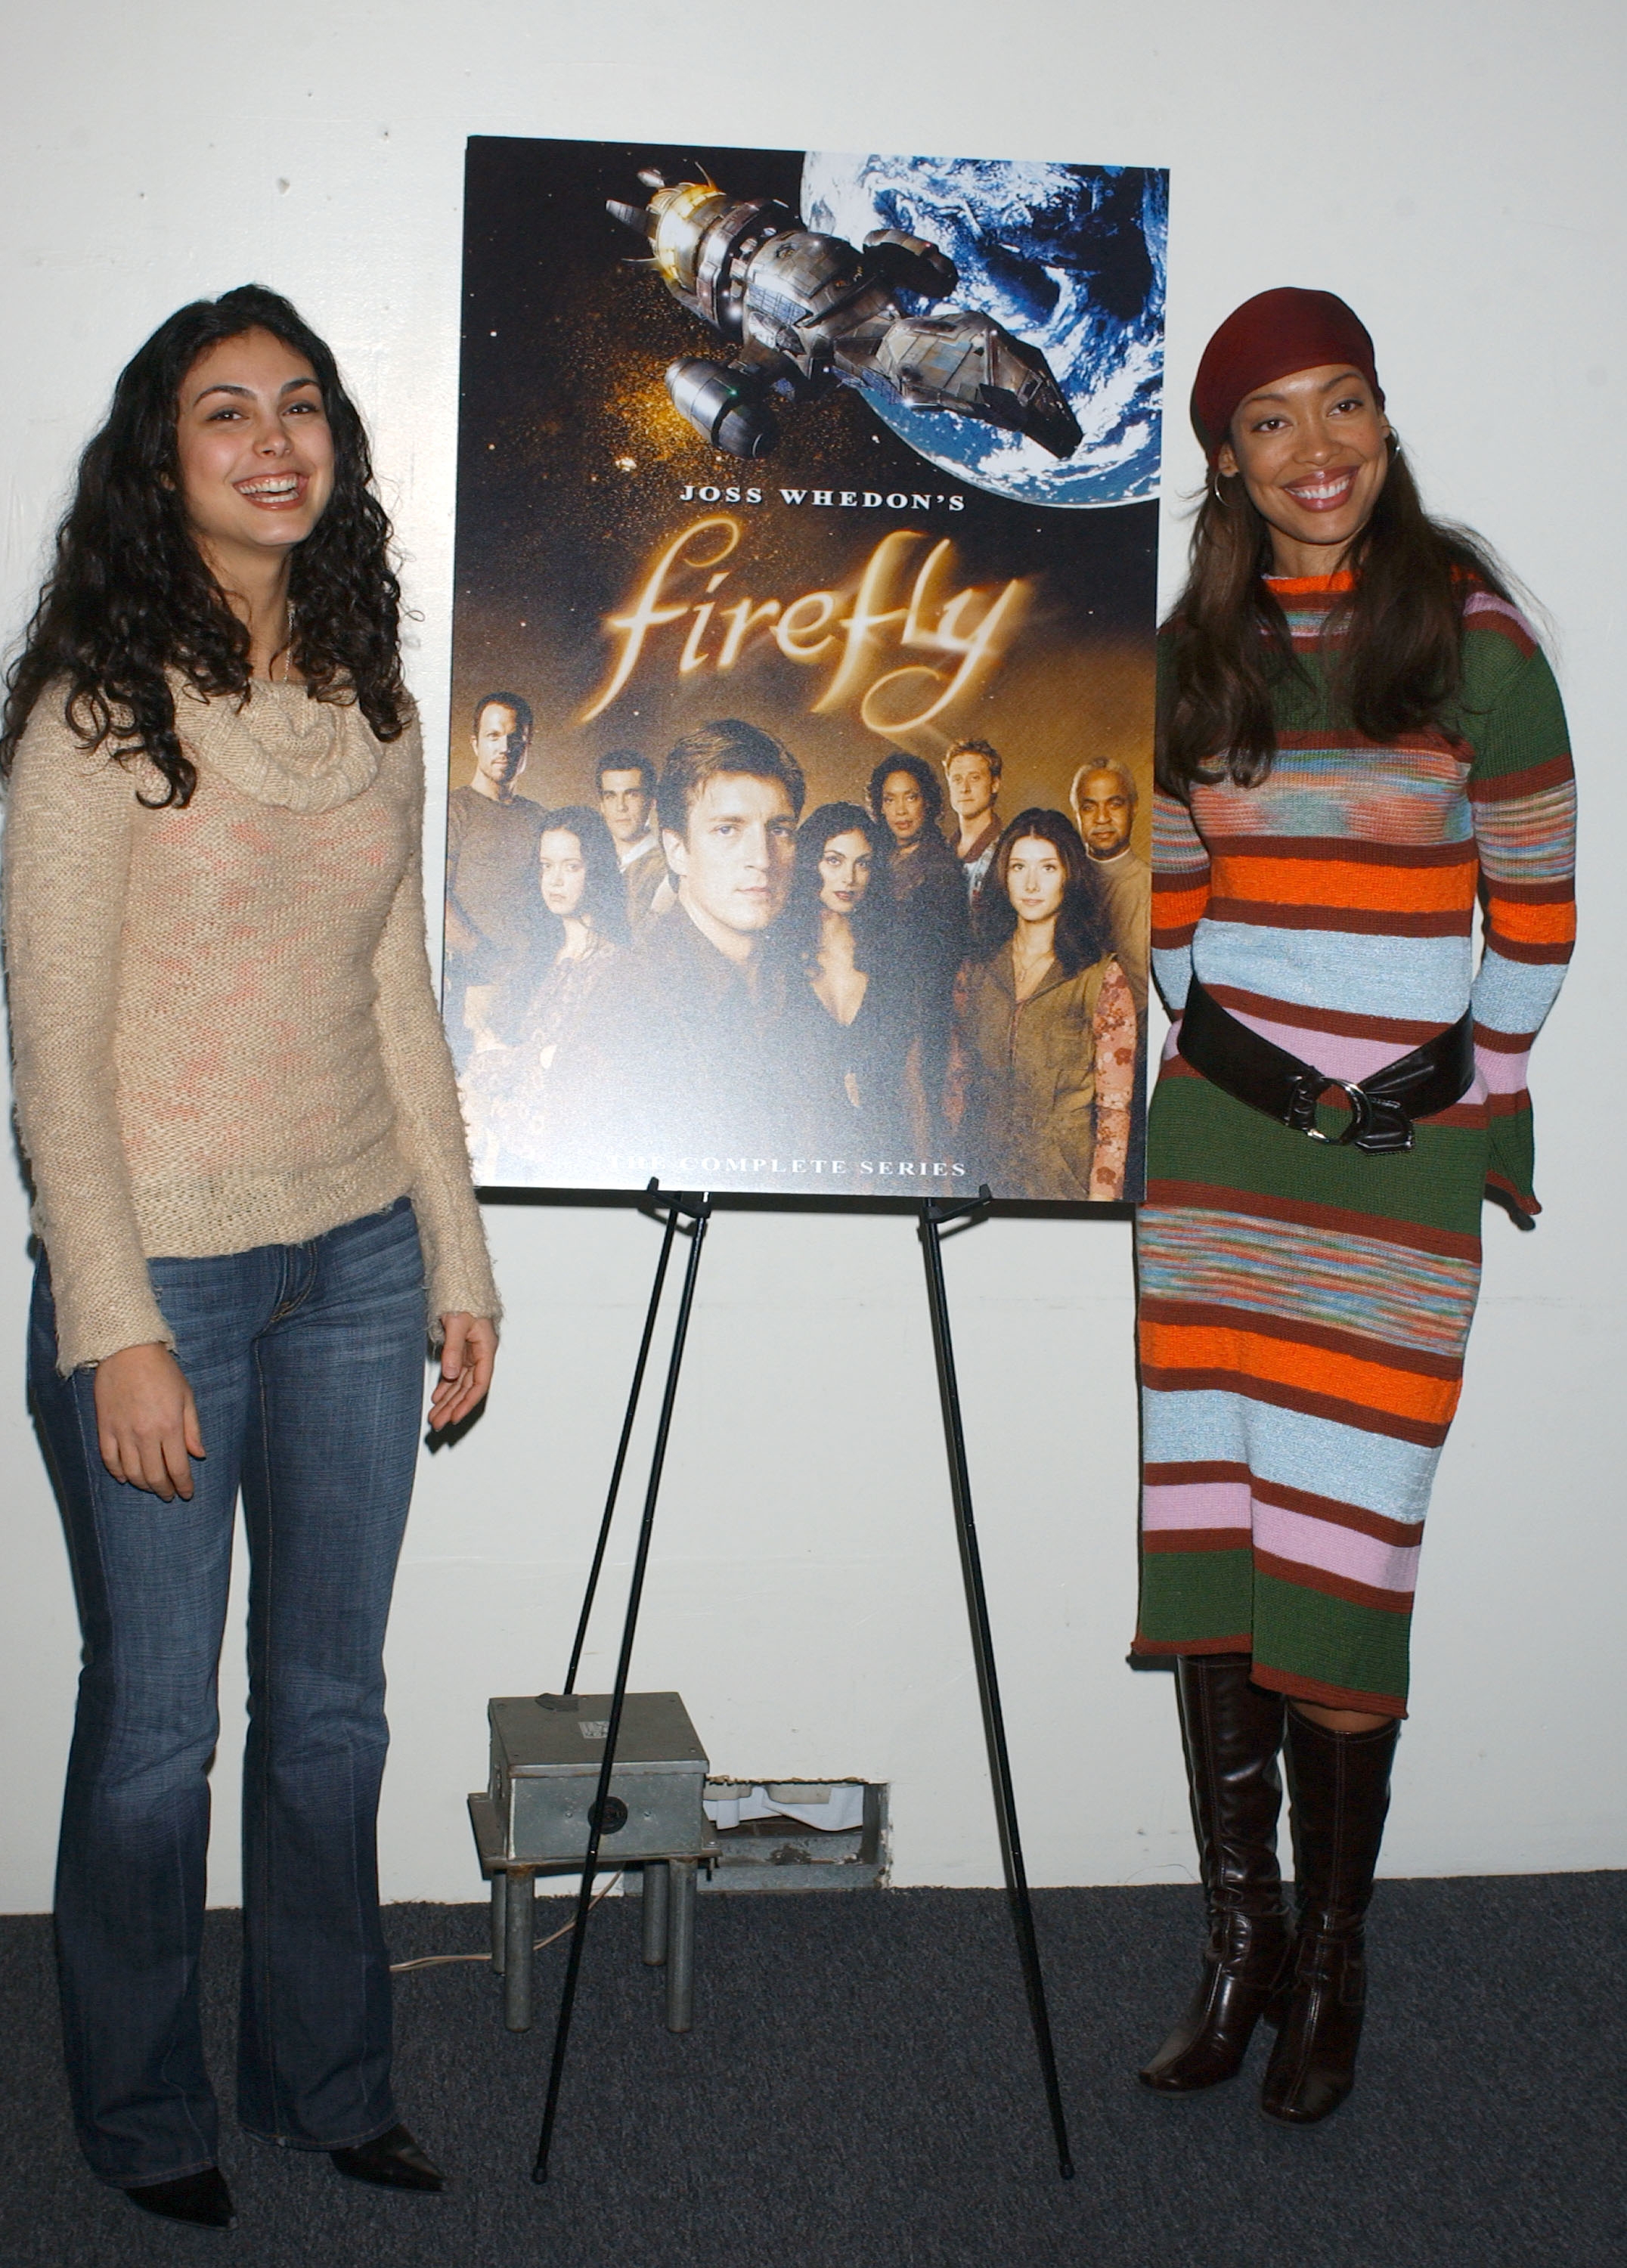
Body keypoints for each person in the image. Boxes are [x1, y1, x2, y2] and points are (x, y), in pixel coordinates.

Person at [0, 286, 500, 2228]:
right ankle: (138, 2111)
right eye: (226, 413)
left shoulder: (368, 699)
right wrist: (113, 1320)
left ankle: (327, 2076)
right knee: (152, 1728)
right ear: (164, 460)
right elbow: (51, 1045)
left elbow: (398, 1001)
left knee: (329, 1710)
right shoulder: (91, 714)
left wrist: (457, 1253)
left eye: (299, 406)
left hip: (358, 1264)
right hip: (171, 1280)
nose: (273, 440)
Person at [1134, 289, 1575, 2124]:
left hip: (1393, 1185)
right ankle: (1233, 1947)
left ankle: (1332, 1961)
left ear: (1382, 422)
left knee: (1347, 1558)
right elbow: (1168, 915)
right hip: (1219, 1161)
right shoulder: (1195, 652)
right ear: (1225, 461)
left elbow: (1533, 930)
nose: (1316, 450)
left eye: (1345, 408)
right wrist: (1257, 1070)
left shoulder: (1475, 646)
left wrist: (1420, 1100)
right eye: (1270, 423)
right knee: (1222, 1553)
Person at [548, 719, 817, 1182]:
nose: (763, 857)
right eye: (728, 829)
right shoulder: (625, 1001)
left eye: (780, 830)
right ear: (676, 851)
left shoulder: (790, 990)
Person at [947, 810, 1133, 1201]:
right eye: (1018, 867)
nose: (1031, 883)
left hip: (1062, 1179)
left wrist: (1100, 1202)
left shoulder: (1101, 977)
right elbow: (957, 1077)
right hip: (981, 1171)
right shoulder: (976, 969)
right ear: (1003, 875)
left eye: (1047, 867)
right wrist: (948, 1173)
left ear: (1069, 875)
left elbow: (1114, 1111)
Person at [460, 804, 628, 1181]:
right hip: (506, 1152)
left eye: (572, 867)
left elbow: (570, 1073)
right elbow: (489, 1064)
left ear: (596, 870)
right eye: (546, 866)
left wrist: (509, 1061)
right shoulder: (539, 955)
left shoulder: (614, 965)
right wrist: (527, 1061)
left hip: (562, 1162)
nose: (554, 881)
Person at [792, 801, 917, 1168]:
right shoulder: (778, 959)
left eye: (862, 863)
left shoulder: (890, 959)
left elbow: (912, 1084)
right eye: (834, 860)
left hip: (886, 1153)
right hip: (805, 1161)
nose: (849, 877)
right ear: (809, 863)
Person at [867, 751, 968, 1146]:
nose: (900, 810)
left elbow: (941, 961)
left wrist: (917, 1033)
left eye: (910, 797)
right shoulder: (877, 860)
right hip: (878, 1007)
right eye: (889, 799)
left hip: (919, 1013)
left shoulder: (941, 869)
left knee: (917, 1114)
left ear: (928, 801)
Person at [443, 691, 544, 1061]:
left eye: (516, 738)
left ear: (527, 745)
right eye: (494, 736)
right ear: (475, 743)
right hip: (473, 986)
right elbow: (435, 899)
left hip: (529, 988)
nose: (505, 747)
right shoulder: (453, 810)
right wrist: (486, 959)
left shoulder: (539, 818)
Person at [1069, 758, 1150, 1015]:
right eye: (1089, 808)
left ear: (1134, 807)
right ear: (1077, 814)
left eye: (1114, 804)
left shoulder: (1154, 888)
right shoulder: (1061, 885)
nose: (1102, 819)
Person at [597, 748, 672, 934]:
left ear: (652, 802)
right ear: (602, 805)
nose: (621, 806)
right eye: (611, 796)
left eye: (632, 794)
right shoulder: (591, 861)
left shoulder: (668, 869)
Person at [944, 738, 1004, 902]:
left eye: (975, 778)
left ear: (995, 784)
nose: (964, 788)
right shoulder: (942, 852)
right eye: (957, 779)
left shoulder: (1009, 849)